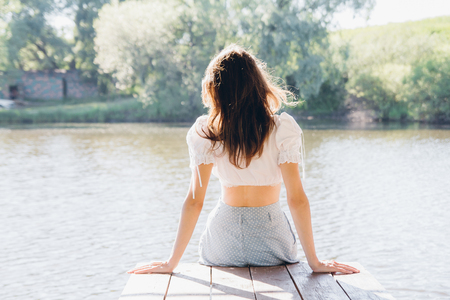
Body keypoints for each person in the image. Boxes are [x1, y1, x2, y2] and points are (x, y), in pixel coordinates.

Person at [127, 45, 359, 275]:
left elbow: (194, 201)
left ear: (215, 89)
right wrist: (315, 262)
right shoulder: (282, 130)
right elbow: (296, 199)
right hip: (272, 242)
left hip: (221, 245)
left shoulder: (207, 132)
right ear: (258, 84)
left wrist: (171, 262)